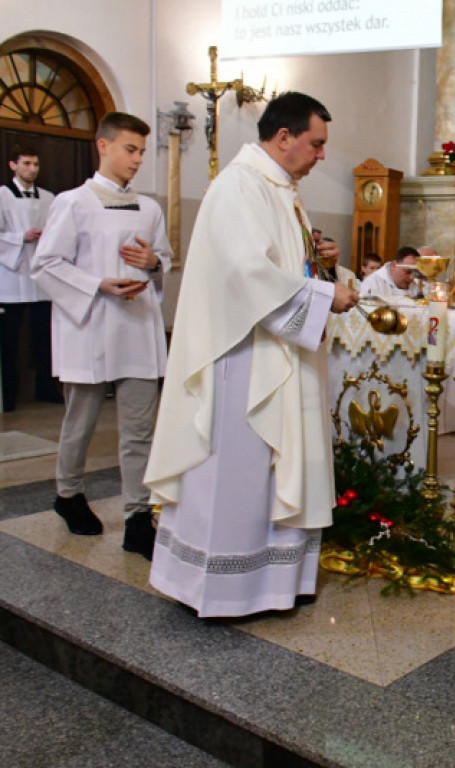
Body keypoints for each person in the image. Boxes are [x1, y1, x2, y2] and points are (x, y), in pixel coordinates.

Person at [143, 92, 359, 618]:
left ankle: (274, 583)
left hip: (281, 353)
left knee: (269, 471)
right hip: (243, 359)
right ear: (283, 138)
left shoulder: (284, 190)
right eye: (317, 143)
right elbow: (246, 274)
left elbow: (284, 265)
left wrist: (321, 263)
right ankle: (222, 587)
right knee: (237, 476)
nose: (322, 156)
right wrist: (328, 296)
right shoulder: (240, 186)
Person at [30, 112, 172, 557]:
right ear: (103, 146)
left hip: (136, 326)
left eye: (142, 152)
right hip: (90, 325)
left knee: (139, 429)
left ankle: (137, 517)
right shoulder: (74, 202)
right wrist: (99, 285)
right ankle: (68, 493)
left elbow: (164, 259)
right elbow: (47, 264)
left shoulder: (149, 208)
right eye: (130, 149)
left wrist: (153, 265)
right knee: (82, 421)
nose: (137, 160)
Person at [0, 145, 60, 411]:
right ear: (13, 165)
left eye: (35, 164)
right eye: (26, 164)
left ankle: (46, 389)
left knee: (44, 338)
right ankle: (7, 395)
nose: (32, 169)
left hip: (40, 277)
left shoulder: (49, 198)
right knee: (8, 340)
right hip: (10, 276)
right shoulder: (2, 196)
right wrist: (18, 237)